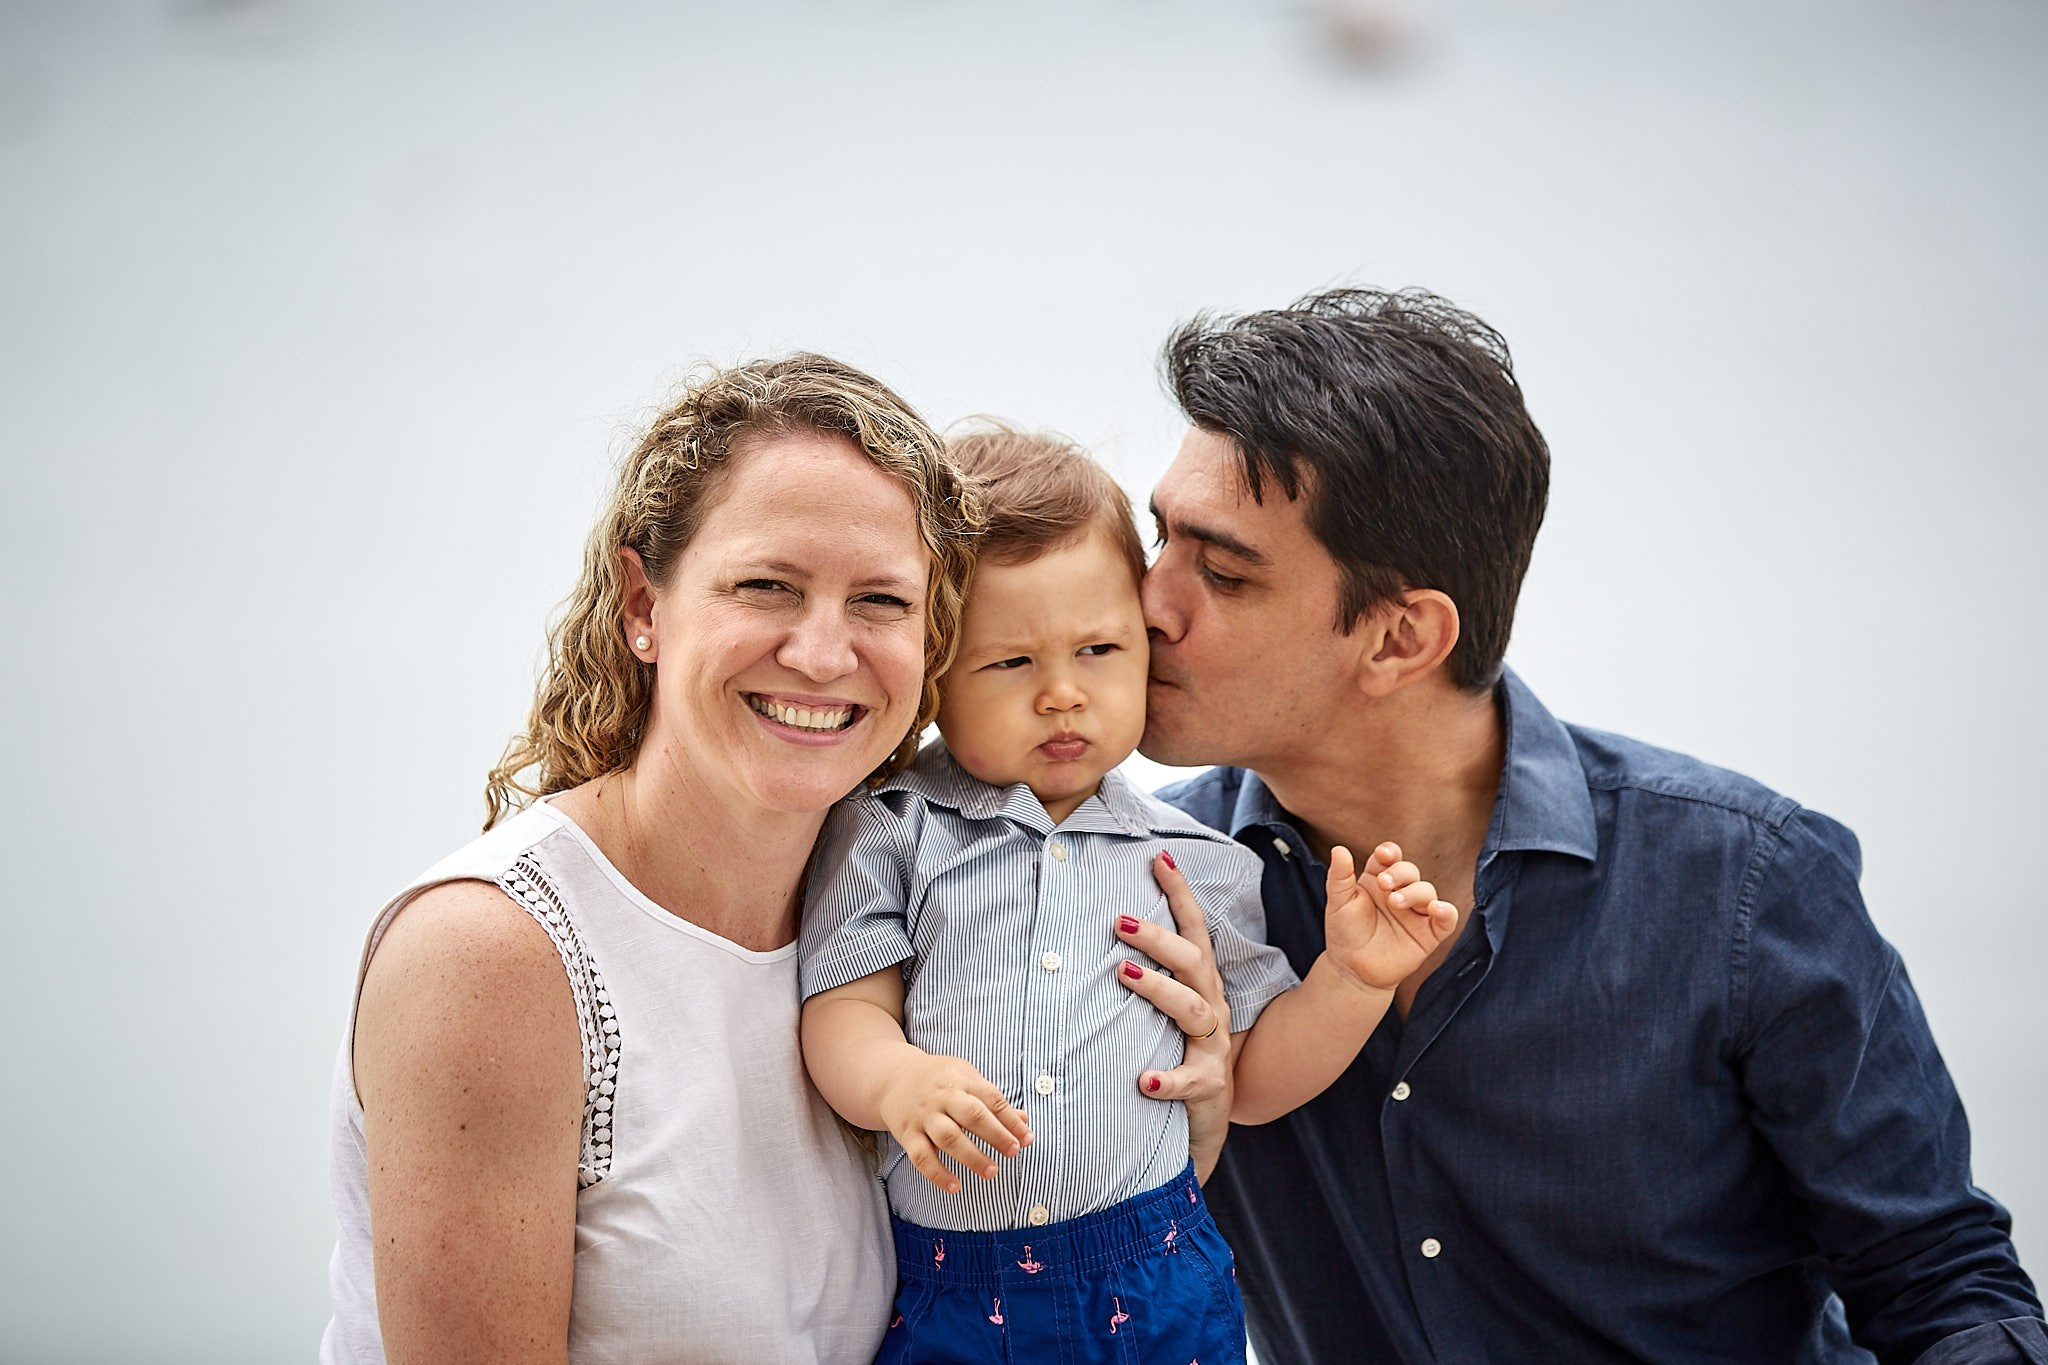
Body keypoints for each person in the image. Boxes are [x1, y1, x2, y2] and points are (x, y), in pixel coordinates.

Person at [1142, 287, 2048, 1363]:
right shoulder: (1141, 891)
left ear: (1399, 639)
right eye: (1158, 538)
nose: (1147, 602)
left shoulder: (1745, 881)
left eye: (1223, 571)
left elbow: (1943, 1288)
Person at [319, 357, 1234, 1365]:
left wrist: (1188, 1115)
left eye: (880, 600)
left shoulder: (923, 915)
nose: (822, 654)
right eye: (767, 587)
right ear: (643, 604)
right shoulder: (492, 954)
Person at [797, 426, 1459, 1364]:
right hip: (957, 1281)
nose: (1063, 694)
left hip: (1156, 1271)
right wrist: (895, 1079)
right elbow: (842, 1010)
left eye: (1101, 648)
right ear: (933, 670)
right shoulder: (892, 828)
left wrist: (1352, 979)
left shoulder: (1198, 860)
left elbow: (1251, 1078)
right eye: (1011, 663)